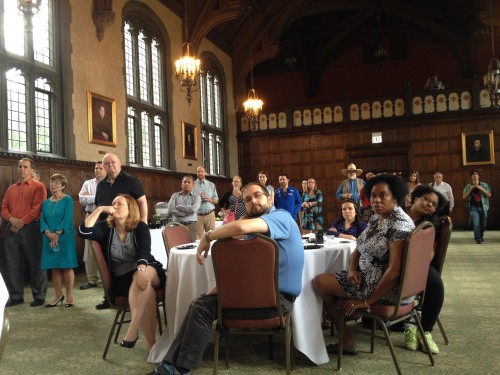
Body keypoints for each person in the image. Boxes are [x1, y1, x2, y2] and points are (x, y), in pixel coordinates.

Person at [147, 182, 304, 375]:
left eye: (258, 196)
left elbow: (238, 227)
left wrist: (207, 237)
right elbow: (247, 269)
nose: (253, 201)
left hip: (277, 301)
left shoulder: (281, 217)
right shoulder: (254, 230)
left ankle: (177, 368)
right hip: (256, 295)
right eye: (247, 199)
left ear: (270, 198)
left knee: (201, 308)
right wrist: (216, 291)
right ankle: (171, 366)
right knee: (200, 303)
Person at [313, 174, 414, 355]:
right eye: (373, 195)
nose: (376, 200)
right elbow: (358, 248)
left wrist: (367, 302)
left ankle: (345, 338)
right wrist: (351, 270)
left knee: (319, 283)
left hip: (382, 290)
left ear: (396, 197)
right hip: (364, 278)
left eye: (383, 195)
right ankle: (343, 327)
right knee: (326, 281)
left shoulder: (400, 224)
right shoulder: (377, 218)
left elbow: (395, 271)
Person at [78, 194, 166, 350]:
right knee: (148, 291)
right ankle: (152, 346)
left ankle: (133, 327)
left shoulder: (140, 226)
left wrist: (140, 269)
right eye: (113, 203)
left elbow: (145, 250)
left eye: (120, 204)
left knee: (142, 276)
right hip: (123, 280)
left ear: (130, 208)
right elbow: (83, 231)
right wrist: (99, 209)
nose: (115, 206)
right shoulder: (105, 228)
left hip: (147, 268)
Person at [94, 153, 148, 309]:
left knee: (127, 262)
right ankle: (109, 296)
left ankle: (131, 294)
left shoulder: (131, 181)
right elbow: (99, 206)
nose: (111, 165)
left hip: (127, 227)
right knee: (107, 263)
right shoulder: (101, 185)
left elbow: (142, 202)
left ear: (120, 164)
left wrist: (143, 223)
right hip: (106, 229)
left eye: (114, 162)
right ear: (103, 167)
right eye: (107, 164)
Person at [404, 185, 449, 354]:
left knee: (435, 282)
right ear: (415, 198)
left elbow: (432, 250)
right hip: (391, 261)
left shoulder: (431, 223)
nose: (430, 204)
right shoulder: (399, 214)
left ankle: (426, 331)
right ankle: (411, 325)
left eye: (434, 204)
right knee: (369, 323)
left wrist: (417, 266)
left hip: (417, 263)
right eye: (426, 199)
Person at [1, 158, 48, 307]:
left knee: (36, 263)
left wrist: (21, 221)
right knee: (12, 263)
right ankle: (16, 296)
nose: (21, 169)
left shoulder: (39, 186)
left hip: (31, 228)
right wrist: (12, 219)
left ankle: (39, 296)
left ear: (31, 170)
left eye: (25, 167)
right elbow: (4, 207)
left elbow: (37, 208)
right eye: (19, 166)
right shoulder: (11, 189)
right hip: (12, 228)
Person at [40, 174, 77, 308]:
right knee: (54, 268)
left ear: (62, 185)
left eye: (56, 183)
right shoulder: (45, 202)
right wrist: (48, 232)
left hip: (64, 236)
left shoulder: (68, 200)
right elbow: (42, 219)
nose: (53, 185)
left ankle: (69, 295)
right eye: (51, 182)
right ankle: (57, 295)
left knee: (66, 266)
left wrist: (57, 233)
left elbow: (67, 218)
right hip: (49, 237)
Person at [78, 161, 106, 290]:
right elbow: (82, 200)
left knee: (106, 246)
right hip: (90, 216)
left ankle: (106, 277)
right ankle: (92, 279)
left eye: (100, 168)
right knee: (89, 249)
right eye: (96, 168)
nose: (98, 170)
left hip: (105, 217)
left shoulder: (109, 183)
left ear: (105, 170)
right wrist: (97, 198)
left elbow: (108, 200)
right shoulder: (88, 183)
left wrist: (90, 197)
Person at [167, 175, 201, 241]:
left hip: (191, 226)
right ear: (181, 184)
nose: (186, 184)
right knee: (176, 246)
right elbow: (170, 209)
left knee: (191, 247)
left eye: (189, 182)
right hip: (176, 225)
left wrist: (178, 207)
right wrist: (184, 214)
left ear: (193, 185)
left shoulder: (196, 196)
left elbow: (193, 209)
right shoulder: (175, 195)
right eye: (184, 182)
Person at [462, 170, 491, 244]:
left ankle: (480, 235)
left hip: (483, 207)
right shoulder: (468, 186)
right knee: (476, 223)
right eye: (473, 174)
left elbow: (489, 194)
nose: (475, 176)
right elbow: (464, 197)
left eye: (476, 174)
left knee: (483, 224)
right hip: (473, 207)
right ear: (471, 177)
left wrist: (481, 189)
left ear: (478, 176)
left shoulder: (484, 185)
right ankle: (478, 238)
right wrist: (471, 189)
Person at [193, 166, 219, 240]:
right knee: (198, 239)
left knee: (212, 237)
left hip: (210, 214)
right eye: (198, 171)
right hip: (197, 215)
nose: (200, 173)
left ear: (205, 173)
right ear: (196, 173)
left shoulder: (211, 185)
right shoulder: (192, 185)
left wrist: (210, 200)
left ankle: (211, 251)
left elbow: (216, 200)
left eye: (202, 171)